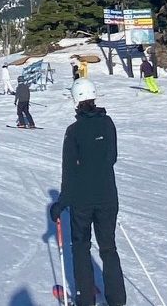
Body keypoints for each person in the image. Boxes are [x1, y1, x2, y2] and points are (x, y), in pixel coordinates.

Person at [49, 78, 126, 306]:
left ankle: (86, 299)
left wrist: (61, 204)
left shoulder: (73, 131)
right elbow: (112, 157)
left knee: (81, 247)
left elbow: (69, 171)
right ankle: (117, 299)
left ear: (75, 100)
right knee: (108, 247)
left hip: (82, 200)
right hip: (107, 197)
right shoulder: (108, 123)